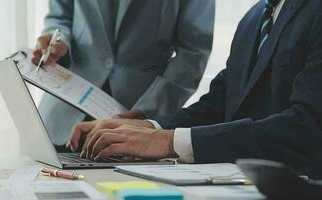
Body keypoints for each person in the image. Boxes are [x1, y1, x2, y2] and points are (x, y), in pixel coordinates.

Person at [67, 0, 322, 175]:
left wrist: (170, 141)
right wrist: (147, 127)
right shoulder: (253, 19)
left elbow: (305, 128)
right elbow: (217, 106)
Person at [32, 0, 215, 145]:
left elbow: (193, 52)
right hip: (63, 117)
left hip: (136, 117)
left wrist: (147, 111)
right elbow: (60, 17)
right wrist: (59, 39)